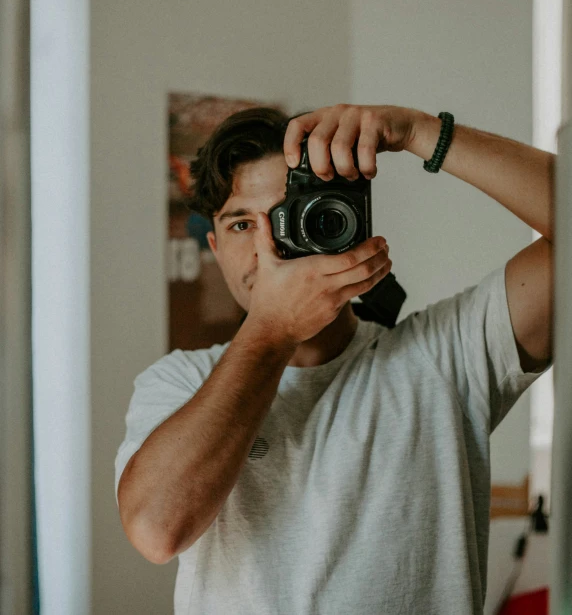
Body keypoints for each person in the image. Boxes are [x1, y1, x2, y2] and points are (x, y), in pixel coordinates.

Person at [115, 104, 553, 615]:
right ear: (214, 247)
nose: (268, 248)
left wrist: (419, 133)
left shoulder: (445, 357)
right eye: (240, 225)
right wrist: (272, 331)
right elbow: (155, 530)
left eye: (288, 213)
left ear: (343, 220)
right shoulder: (179, 382)